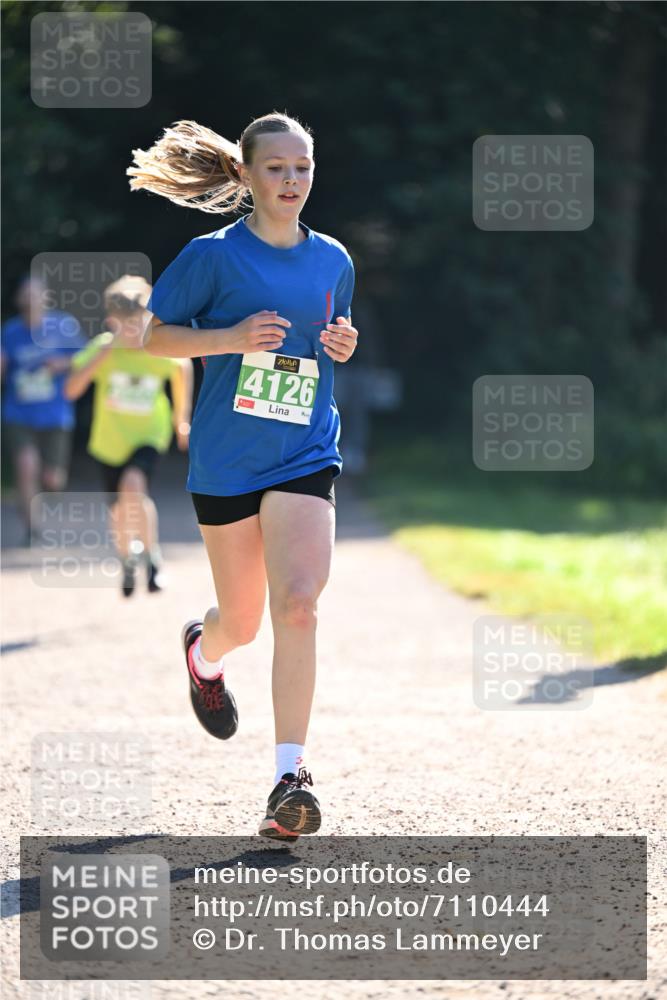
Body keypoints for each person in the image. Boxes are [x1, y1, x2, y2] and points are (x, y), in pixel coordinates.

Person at [127, 112, 358, 839]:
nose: (292, 180)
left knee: (298, 605)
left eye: (303, 167)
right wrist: (227, 338)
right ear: (247, 175)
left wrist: (341, 343)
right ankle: (204, 651)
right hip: (228, 459)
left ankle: (290, 777)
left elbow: (330, 337)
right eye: (277, 168)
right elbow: (150, 337)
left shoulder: (333, 260)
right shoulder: (211, 255)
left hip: (304, 451)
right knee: (243, 623)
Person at [64, 275, 193, 596]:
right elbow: (70, 390)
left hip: (149, 434)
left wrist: (182, 419)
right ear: (112, 323)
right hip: (109, 442)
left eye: (139, 324)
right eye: (126, 327)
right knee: (120, 508)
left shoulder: (158, 349)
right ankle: (127, 558)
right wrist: (101, 356)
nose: (134, 333)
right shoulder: (103, 349)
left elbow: (183, 367)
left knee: (134, 487)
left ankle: (152, 558)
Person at [1, 276, 86, 545]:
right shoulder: (10, 331)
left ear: (45, 299)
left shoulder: (63, 326)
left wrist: (62, 364)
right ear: (18, 300)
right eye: (25, 294)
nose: (30, 299)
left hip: (56, 413)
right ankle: (32, 529)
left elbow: (88, 357)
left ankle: (43, 505)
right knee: (26, 466)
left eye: (35, 294)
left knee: (53, 479)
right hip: (18, 413)